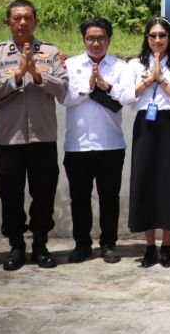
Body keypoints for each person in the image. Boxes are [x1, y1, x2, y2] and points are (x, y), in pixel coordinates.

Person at [0, 0, 68, 271]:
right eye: (16, 18)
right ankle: (16, 246)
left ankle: (40, 245)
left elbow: (63, 88)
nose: (22, 23)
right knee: (10, 194)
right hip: (10, 139)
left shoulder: (51, 53)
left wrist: (38, 75)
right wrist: (18, 76)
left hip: (43, 138)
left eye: (28, 18)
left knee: (43, 193)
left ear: (36, 22)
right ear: (8, 22)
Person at [61, 17, 135, 264]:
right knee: (79, 198)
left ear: (109, 40)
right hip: (77, 145)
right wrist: (88, 87)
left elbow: (125, 98)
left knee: (109, 197)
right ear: (83, 40)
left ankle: (108, 244)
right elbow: (65, 98)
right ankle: (82, 244)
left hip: (110, 144)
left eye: (101, 38)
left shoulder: (120, 67)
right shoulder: (70, 65)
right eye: (90, 38)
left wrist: (106, 86)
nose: (95, 43)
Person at [127, 17, 170, 268]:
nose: (157, 40)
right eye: (152, 35)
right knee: (144, 183)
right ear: (146, 38)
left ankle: (166, 246)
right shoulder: (134, 65)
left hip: (167, 126)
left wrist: (162, 79)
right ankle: (149, 247)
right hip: (144, 125)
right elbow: (126, 96)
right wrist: (147, 80)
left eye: (162, 36)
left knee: (168, 184)